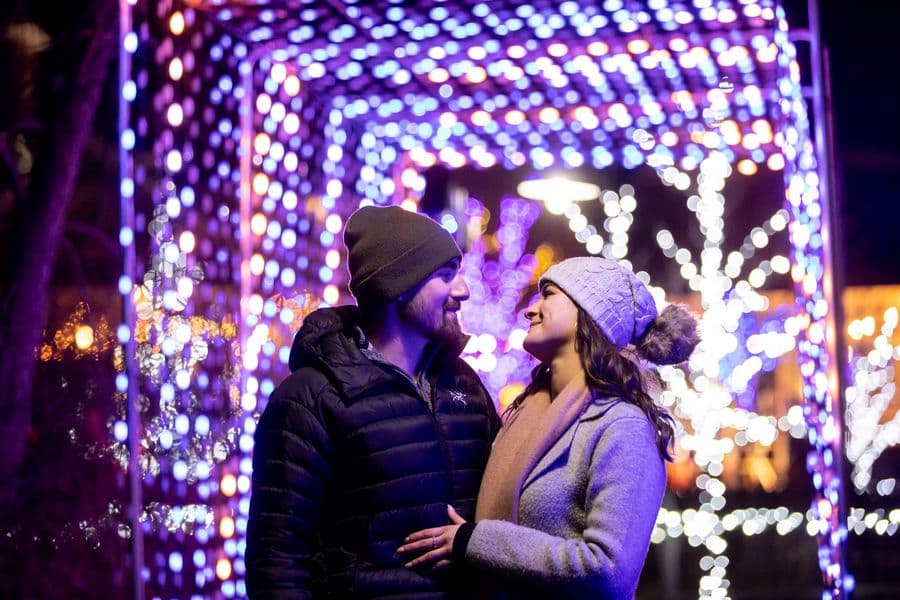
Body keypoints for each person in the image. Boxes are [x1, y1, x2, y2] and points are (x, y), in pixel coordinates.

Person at [397, 256, 700, 599]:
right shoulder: (525, 414)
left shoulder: (622, 426)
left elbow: (607, 570)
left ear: (589, 315)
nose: (531, 310)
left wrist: (476, 542)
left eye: (549, 295)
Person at [246, 205, 501, 599]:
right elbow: (277, 560)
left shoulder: (465, 385)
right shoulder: (310, 398)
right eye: (446, 275)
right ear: (398, 286)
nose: (463, 290)